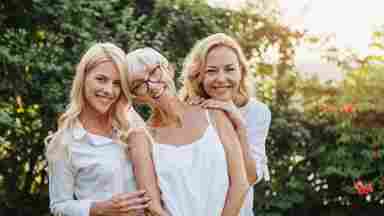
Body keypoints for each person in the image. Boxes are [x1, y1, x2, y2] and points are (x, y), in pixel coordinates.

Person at [123, 47, 250, 216]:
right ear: (136, 97)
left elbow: (240, 183)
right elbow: (153, 207)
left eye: (154, 72)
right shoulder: (141, 137)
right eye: (139, 85)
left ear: (169, 69)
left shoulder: (213, 112)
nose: (152, 86)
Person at [46, 42, 152, 216]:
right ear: (83, 78)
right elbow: (59, 205)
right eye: (101, 79)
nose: (109, 90)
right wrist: (99, 208)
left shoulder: (130, 124)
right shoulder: (65, 142)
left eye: (117, 83)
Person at [179, 33, 272, 216]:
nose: (221, 79)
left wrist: (240, 127)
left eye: (229, 69)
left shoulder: (257, 112)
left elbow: (251, 177)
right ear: (198, 75)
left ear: (241, 71)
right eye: (211, 71)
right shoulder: (187, 111)